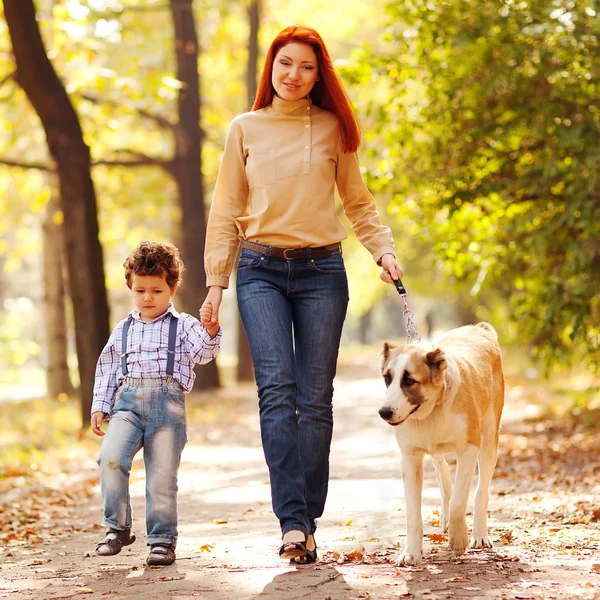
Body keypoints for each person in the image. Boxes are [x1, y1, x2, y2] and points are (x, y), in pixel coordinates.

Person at [201, 25, 403, 564]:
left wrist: (382, 252)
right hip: (259, 268)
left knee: (315, 401)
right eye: (285, 64)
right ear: (271, 66)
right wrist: (215, 284)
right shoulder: (244, 129)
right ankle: (292, 521)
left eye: (307, 67)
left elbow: (358, 203)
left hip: (322, 273)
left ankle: (307, 516)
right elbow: (225, 209)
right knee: (277, 392)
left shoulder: (333, 127)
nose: (294, 75)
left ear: (319, 75)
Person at [91, 241, 221, 566]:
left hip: (168, 408)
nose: (147, 298)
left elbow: (203, 355)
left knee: (161, 477)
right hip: (127, 406)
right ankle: (117, 528)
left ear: (172, 288)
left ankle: (162, 540)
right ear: (130, 287)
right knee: (110, 458)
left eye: (156, 290)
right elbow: (107, 369)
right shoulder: (123, 329)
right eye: (140, 290)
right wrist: (100, 405)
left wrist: (211, 331)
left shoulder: (185, 325)